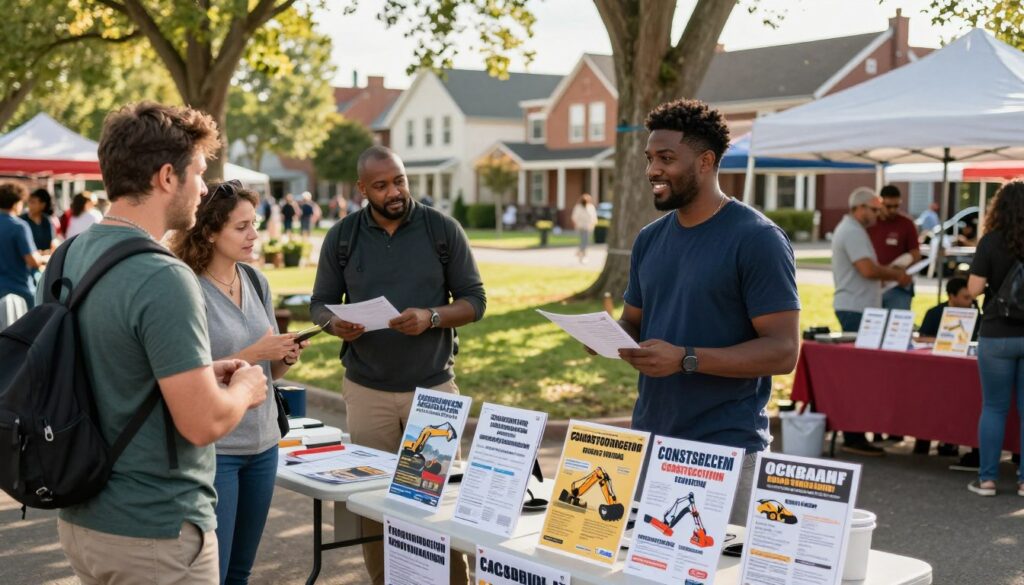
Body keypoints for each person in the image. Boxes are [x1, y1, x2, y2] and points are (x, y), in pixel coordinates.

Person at [46, 101, 268, 584]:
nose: (204, 188)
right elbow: (203, 422)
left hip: (84, 519)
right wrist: (246, 389)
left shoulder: (68, 257)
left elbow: (110, 369)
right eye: (198, 173)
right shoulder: (164, 275)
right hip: (155, 530)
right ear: (167, 176)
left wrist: (202, 374)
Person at [608, 99, 800, 526]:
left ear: (706, 161)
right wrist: (606, 336)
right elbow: (633, 322)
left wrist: (685, 358)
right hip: (651, 441)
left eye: (666, 158)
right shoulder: (649, 239)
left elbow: (783, 351)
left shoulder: (757, 239)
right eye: (649, 158)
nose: (652, 170)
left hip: (725, 448)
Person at [310, 145, 486, 585]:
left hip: (433, 392)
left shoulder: (442, 230)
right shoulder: (343, 237)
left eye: (400, 180)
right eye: (382, 185)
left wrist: (432, 317)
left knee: (435, 502)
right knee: (374, 506)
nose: (395, 191)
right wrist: (336, 324)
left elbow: (475, 301)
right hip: (367, 390)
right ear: (362, 189)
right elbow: (318, 304)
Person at [170, 179, 307, 584]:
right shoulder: (186, 288)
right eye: (241, 227)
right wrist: (256, 353)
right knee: (213, 572)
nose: (254, 235)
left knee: (241, 572)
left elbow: (268, 374)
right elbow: (187, 374)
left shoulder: (255, 280)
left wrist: (283, 358)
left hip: (264, 445)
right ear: (210, 231)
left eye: (255, 224)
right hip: (218, 452)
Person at [831, 187, 911, 456]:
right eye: (874, 209)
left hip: (858, 307)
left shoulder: (853, 229)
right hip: (855, 309)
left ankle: (856, 433)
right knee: (857, 376)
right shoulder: (852, 230)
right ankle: (853, 435)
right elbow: (867, 269)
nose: (878, 214)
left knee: (860, 374)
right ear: (860, 208)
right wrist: (896, 274)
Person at [965, 179, 1024, 497]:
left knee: (995, 407)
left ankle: (987, 479)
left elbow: (973, 289)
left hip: (997, 333)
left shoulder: (990, 241)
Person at [868, 185, 921, 311]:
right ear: (879, 202)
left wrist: (895, 269)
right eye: (888, 206)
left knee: (897, 327)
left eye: (896, 206)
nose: (893, 210)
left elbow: (915, 254)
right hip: (873, 286)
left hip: (898, 287)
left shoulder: (906, 223)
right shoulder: (870, 223)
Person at [0, 182, 47, 308]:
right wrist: (46, 258)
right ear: (17, 203)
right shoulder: (19, 226)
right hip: (19, 290)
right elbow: (32, 261)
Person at [20, 188, 59, 255]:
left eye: (33, 202)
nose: (30, 205)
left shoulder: (47, 220)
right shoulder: (22, 220)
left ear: (42, 205)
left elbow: (53, 242)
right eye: (29, 202)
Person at [571, 193, 598, 263]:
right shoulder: (578, 207)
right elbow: (574, 217)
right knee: (584, 241)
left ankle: (580, 252)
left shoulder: (591, 207)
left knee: (585, 241)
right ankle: (583, 255)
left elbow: (594, 217)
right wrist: (576, 225)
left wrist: (593, 224)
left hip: (588, 227)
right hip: (581, 227)